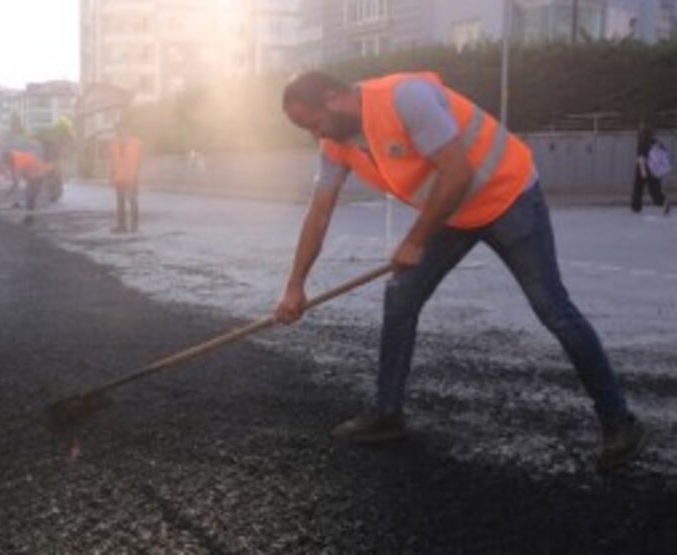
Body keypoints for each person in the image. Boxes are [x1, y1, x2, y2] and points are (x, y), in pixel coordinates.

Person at [275, 70, 646, 471]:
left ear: (333, 97)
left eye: (313, 123)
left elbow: (458, 172)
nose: (316, 135)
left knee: (552, 308)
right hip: (450, 212)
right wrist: (295, 286)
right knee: (401, 297)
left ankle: (618, 421)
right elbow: (319, 211)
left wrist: (415, 240)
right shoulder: (336, 143)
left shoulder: (405, 98)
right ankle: (387, 414)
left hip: (507, 197)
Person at [1, 149, 54, 224]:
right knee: (30, 196)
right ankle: (30, 215)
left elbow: (16, 180)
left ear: (8, 157)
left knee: (31, 195)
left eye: (5, 159)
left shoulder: (17, 159)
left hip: (37, 174)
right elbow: (15, 177)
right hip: (33, 174)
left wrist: (9, 192)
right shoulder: (13, 158)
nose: (5, 161)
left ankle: (31, 216)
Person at [108, 122, 143, 233]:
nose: (119, 132)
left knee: (132, 201)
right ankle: (121, 226)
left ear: (128, 129)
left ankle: (134, 226)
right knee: (120, 203)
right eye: (117, 130)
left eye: (122, 129)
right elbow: (113, 162)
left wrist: (137, 174)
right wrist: (111, 176)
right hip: (119, 178)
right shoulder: (114, 144)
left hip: (132, 177)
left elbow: (140, 161)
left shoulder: (136, 143)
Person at [631, 125, 671, 215]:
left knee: (638, 188)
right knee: (655, 189)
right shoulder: (656, 142)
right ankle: (662, 201)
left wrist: (643, 171)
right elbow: (664, 153)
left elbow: (641, 158)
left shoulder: (642, 143)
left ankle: (636, 206)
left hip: (644, 168)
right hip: (655, 169)